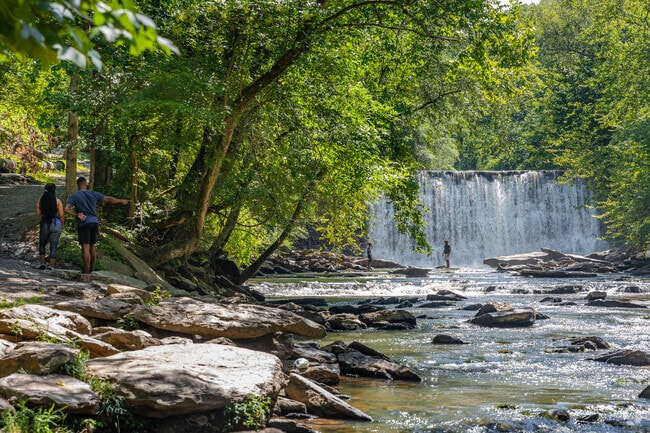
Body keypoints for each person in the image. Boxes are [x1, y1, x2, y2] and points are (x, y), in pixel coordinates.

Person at [64, 176, 129, 278]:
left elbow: (66, 209)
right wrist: (121, 201)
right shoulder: (93, 194)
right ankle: (92, 270)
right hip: (94, 221)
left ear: (78, 185)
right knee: (92, 246)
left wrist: (76, 214)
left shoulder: (74, 196)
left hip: (84, 222)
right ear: (86, 184)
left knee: (85, 248)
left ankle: (86, 272)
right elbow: (108, 199)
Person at [36, 183, 65, 270]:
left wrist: (38, 206)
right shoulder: (58, 201)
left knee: (42, 244)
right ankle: (51, 266)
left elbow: (38, 213)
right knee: (54, 245)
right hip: (56, 224)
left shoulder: (41, 200)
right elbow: (61, 215)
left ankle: (42, 264)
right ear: (54, 191)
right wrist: (62, 224)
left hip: (45, 224)